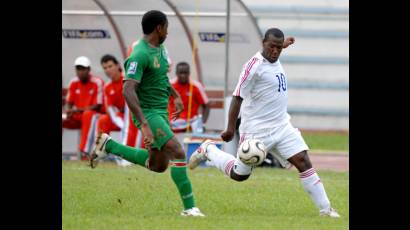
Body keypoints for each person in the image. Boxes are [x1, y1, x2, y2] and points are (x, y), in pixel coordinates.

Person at [188, 28, 340, 218]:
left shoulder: (274, 55)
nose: (275, 51)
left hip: (282, 125)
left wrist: (282, 44)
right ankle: (209, 150)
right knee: (239, 175)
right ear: (262, 43)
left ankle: (326, 210)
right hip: (255, 130)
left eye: (278, 48)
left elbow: (275, 46)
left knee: (303, 161)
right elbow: (237, 97)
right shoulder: (253, 66)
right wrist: (229, 127)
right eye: (271, 47)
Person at [89, 10, 204, 217]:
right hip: (149, 114)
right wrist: (143, 124)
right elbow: (128, 89)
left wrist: (175, 94)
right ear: (159, 28)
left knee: (158, 165)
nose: (168, 32)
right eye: (166, 28)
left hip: (160, 110)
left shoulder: (159, 48)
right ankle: (190, 208)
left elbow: (160, 77)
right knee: (178, 152)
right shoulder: (139, 54)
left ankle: (109, 145)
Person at [62, 56, 104, 160]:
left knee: (88, 115)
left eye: (83, 69)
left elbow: (97, 106)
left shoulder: (97, 82)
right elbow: (69, 102)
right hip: (78, 116)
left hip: (93, 117)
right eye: (78, 69)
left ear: (89, 70)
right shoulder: (73, 82)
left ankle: (84, 153)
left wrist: (75, 110)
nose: (80, 72)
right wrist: (68, 110)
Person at [96, 54, 134, 166]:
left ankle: (129, 155)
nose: (108, 70)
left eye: (110, 66)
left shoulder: (128, 80)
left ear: (118, 65)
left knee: (132, 123)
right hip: (120, 118)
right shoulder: (107, 87)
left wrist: (127, 124)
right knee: (103, 120)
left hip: (134, 116)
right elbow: (111, 110)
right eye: (105, 68)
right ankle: (102, 151)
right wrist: (123, 124)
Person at [168, 62, 210, 133]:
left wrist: (202, 123)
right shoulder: (170, 85)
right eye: (181, 73)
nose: (183, 75)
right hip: (172, 124)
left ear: (189, 73)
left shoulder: (196, 86)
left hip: (191, 124)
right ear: (176, 73)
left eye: (185, 73)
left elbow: (207, 105)